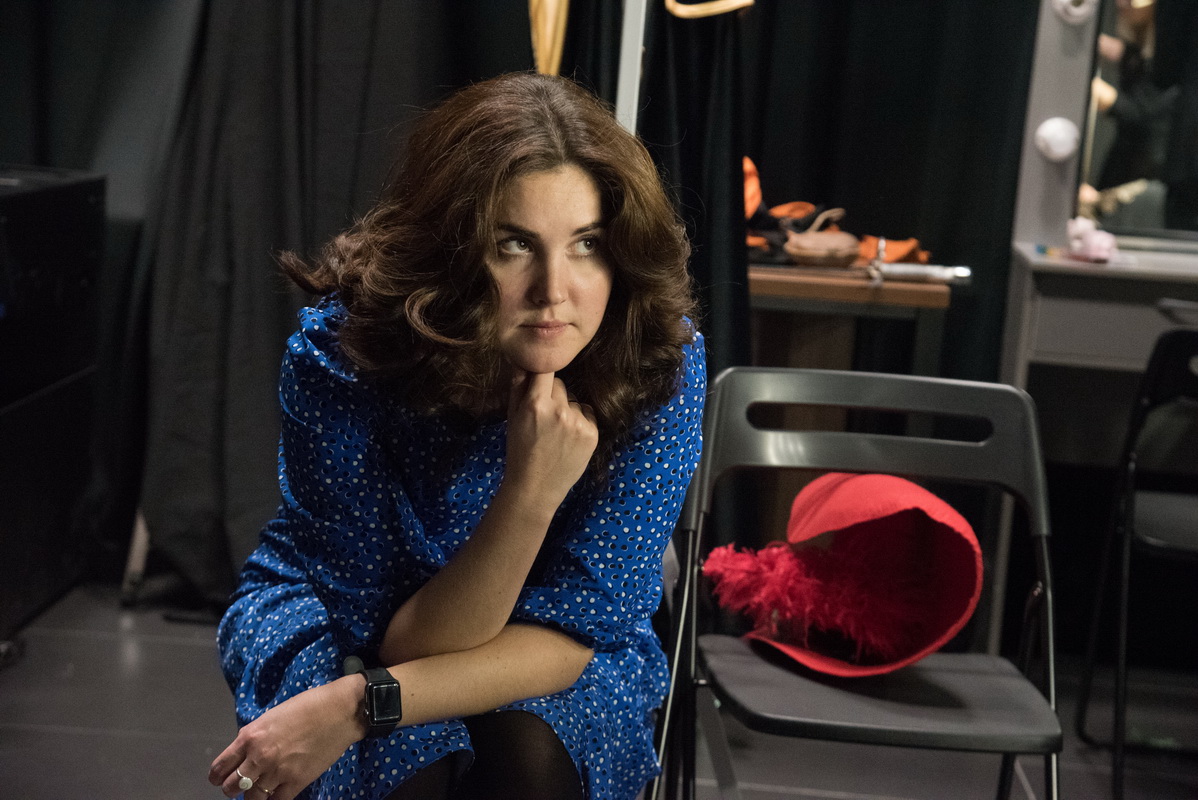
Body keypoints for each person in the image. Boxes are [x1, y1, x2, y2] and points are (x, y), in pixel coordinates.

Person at [205, 71, 706, 800]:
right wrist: (527, 493)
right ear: (455, 250)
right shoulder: (344, 353)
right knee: (407, 772)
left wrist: (356, 707)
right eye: (514, 245)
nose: (553, 291)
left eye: (587, 244)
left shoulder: (657, 359)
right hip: (347, 616)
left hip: (555, 642)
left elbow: (575, 632)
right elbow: (392, 642)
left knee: (532, 757)